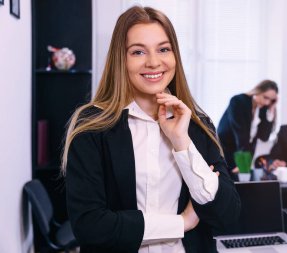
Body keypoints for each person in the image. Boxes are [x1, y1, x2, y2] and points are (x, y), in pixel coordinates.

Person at [61, 6, 240, 253]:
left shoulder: (197, 125)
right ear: (121, 59)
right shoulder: (92, 126)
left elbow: (226, 215)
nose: (154, 62)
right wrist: (182, 222)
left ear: (175, 55)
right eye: (138, 52)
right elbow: (89, 226)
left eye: (163, 49)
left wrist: (182, 142)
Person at [217, 80, 278, 179]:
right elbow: (240, 134)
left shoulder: (263, 109)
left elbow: (264, 136)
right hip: (228, 150)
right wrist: (242, 163)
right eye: (265, 97)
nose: (267, 102)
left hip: (245, 153)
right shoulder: (238, 101)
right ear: (258, 91)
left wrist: (271, 111)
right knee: (230, 183)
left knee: (244, 184)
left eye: (271, 100)